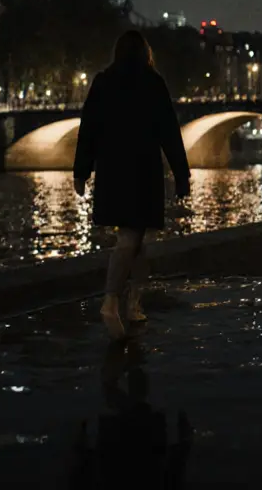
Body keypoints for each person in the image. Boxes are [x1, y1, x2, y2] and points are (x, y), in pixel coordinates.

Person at [74, 30, 191, 339]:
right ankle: (112, 300)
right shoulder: (154, 83)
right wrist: (181, 174)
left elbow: (88, 129)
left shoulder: (103, 82)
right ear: (145, 53)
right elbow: (169, 131)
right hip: (143, 169)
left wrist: (81, 171)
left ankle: (134, 305)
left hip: (112, 170)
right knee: (132, 238)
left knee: (136, 240)